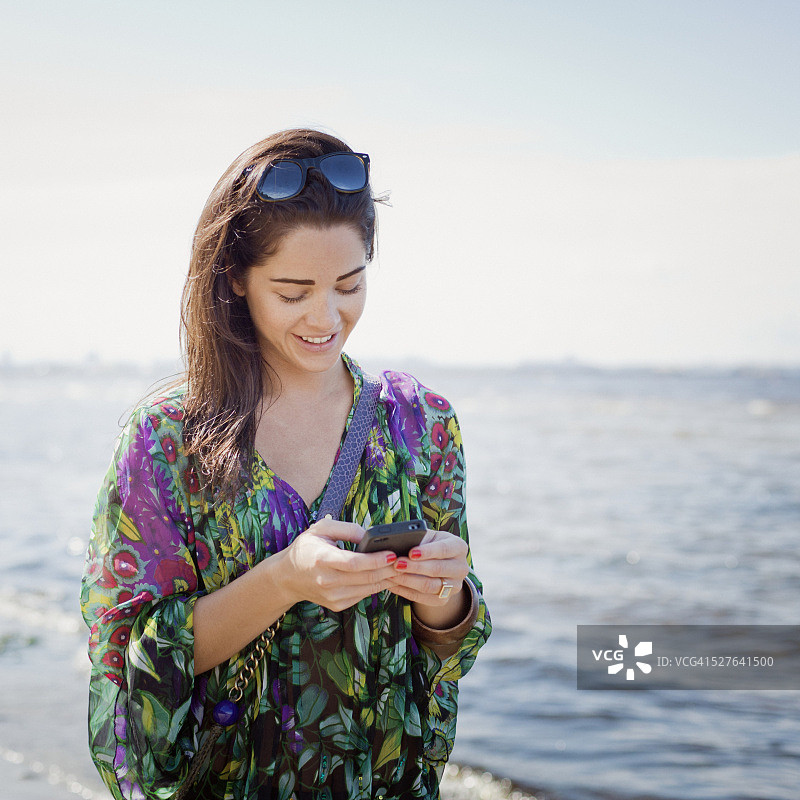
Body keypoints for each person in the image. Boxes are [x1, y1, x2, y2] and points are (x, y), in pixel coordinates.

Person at [80, 128, 491, 800]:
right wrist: (284, 580)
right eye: (294, 291)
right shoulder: (166, 438)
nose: (327, 317)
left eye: (349, 285)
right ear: (237, 279)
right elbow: (133, 664)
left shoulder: (423, 425)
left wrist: (446, 596)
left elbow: (451, 645)